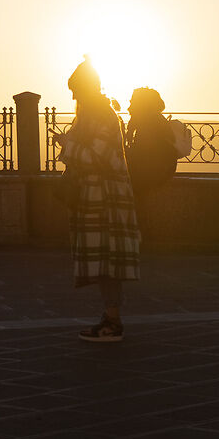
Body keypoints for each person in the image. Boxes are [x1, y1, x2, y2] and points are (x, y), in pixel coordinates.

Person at [59, 60, 140, 342]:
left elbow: (97, 157)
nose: (73, 98)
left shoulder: (102, 116)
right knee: (106, 264)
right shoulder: (92, 117)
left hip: (105, 201)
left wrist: (67, 146)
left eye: (76, 91)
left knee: (107, 263)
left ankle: (113, 323)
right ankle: (110, 318)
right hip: (96, 199)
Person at [126, 86, 191, 193]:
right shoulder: (152, 119)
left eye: (132, 102)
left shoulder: (149, 123)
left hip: (155, 173)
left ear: (142, 105)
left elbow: (143, 155)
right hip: (160, 170)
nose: (129, 107)